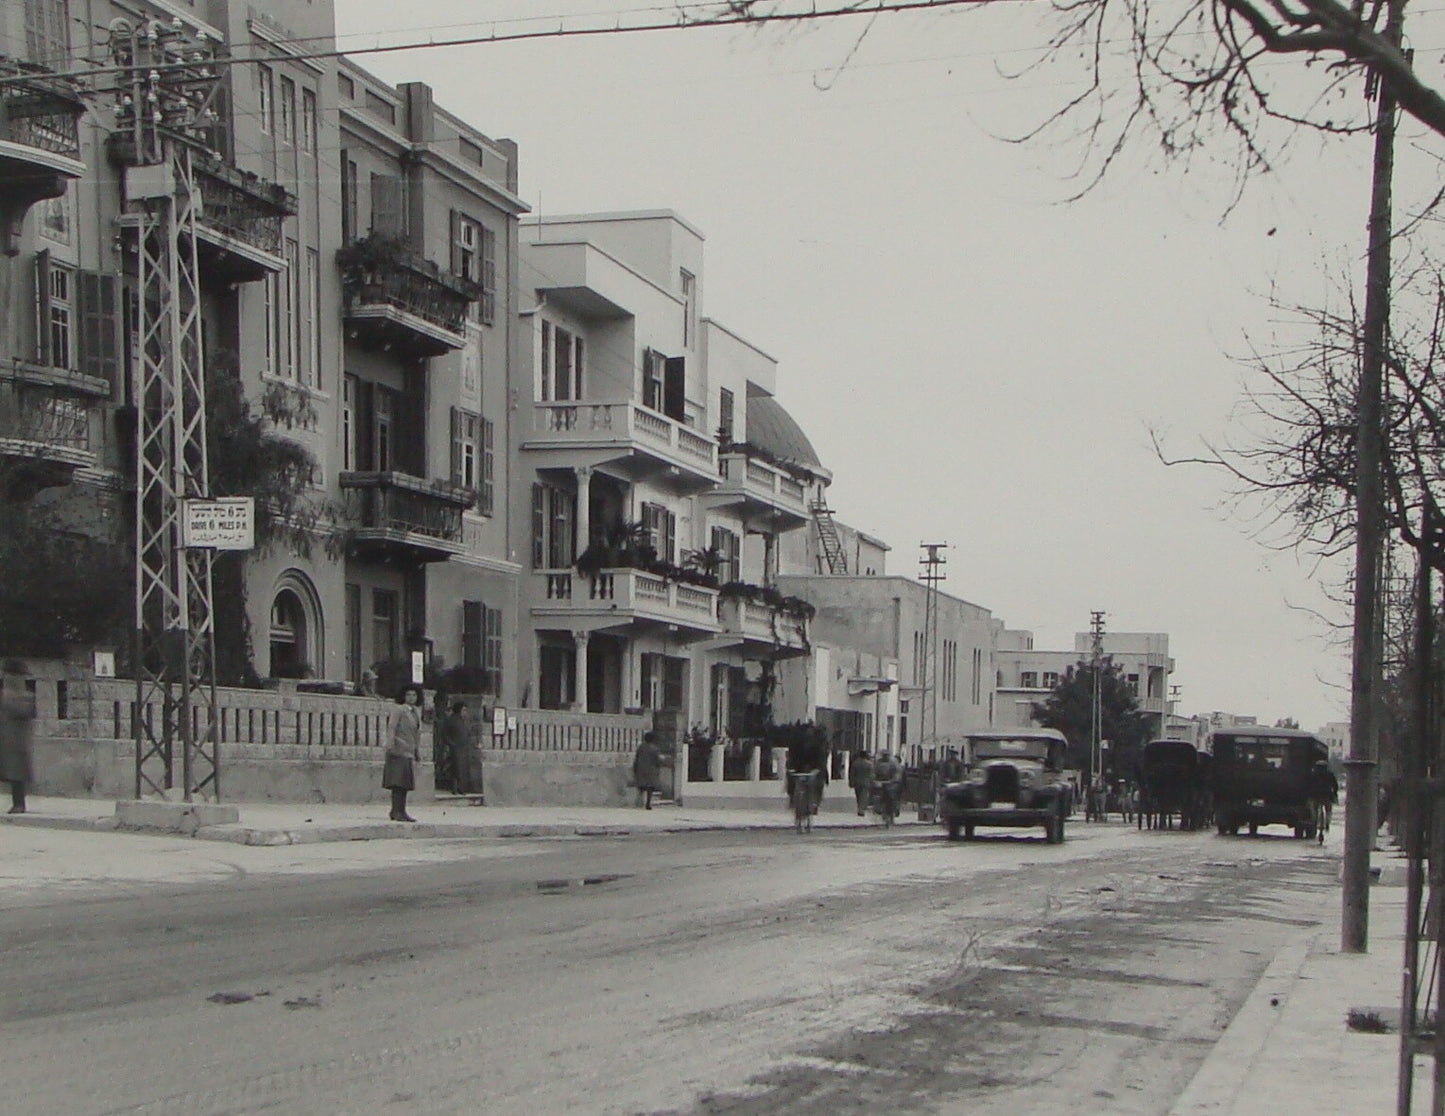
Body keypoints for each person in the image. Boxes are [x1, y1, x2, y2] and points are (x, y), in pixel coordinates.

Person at [0, 660, 36, 815]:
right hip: (9, 740)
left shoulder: (20, 697)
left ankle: (19, 804)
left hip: (15, 741)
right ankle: (18, 804)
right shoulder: (21, 696)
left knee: (16, 774)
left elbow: (25, 712)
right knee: (14, 773)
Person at [384, 684, 423, 822]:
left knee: (405, 783)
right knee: (397, 783)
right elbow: (392, 727)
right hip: (398, 749)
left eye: (414, 695)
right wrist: (391, 744)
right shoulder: (399, 710)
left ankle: (402, 810)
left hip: (409, 751)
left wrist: (417, 750)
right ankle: (396, 810)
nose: (411, 698)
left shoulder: (416, 712)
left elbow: (417, 733)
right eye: (408, 695)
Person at [633, 731, 665, 810]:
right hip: (651, 771)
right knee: (650, 788)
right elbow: (658, 760)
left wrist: (635, 768)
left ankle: (639, 801)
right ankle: (648, 803)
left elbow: (636, 758)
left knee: (641, 786)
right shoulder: (655, 749)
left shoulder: (640, 747)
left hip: (641, 769)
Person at [872, 751, 903, 820]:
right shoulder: (878, 763)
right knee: (878, 796)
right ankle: (878, 809)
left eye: (886, 755)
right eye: (884, 755)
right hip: (881, 782)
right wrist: (874, 779)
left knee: (892, 797)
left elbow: (897, 773)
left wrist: (893, 780)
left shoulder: (893, 763)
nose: (885, 757)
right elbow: (874, 772)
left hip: (891, 783)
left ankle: (893, 812)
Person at [848, 748, 875, 817]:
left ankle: (859, 808)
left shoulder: (855, 763)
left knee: (858, 796)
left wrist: (851, 782)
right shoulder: (869, 764)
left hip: (857, 782)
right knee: (864, 796)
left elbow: (852, 774)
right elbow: (872, 774)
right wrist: (872, 782)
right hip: (866, 782)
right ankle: (861, 809)